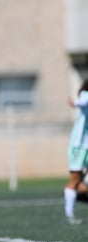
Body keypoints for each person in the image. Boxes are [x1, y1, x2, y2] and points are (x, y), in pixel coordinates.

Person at [64, 77, 88, 224]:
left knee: (80, 181)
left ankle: (82, 189)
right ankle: (69, 214)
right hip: (79, 146)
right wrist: (75, 103)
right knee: (75, 179)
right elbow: (84, 101)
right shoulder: (85, 94)